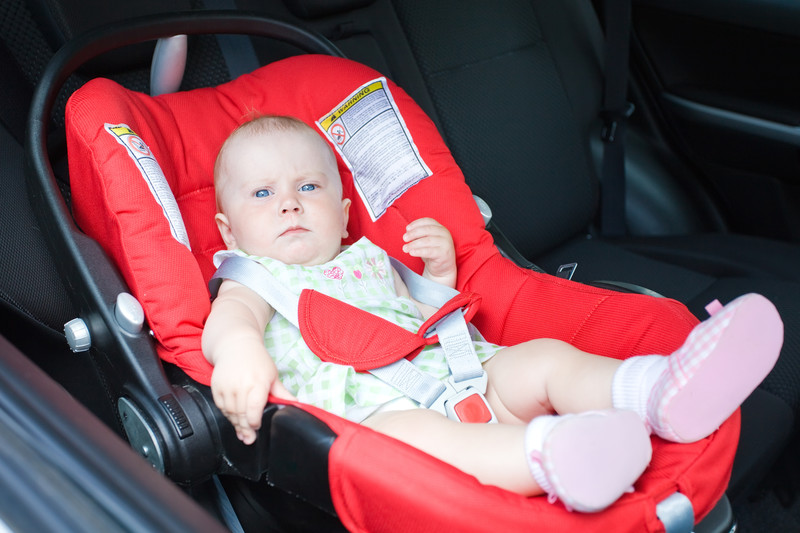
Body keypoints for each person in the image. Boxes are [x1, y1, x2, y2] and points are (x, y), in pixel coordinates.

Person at [202, 115, 783, 512]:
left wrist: (439, 278)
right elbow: (232, 320)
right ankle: (559, 458)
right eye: (262, 195)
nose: (289, 203)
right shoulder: (256, 276)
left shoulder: (367, 258)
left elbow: (415, 315)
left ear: (345, 209)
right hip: (376, 417)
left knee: (545, 359)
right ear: (229, 231)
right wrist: (238, 353)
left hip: (469, 370)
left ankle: (656, 391)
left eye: (309, 186)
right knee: (426, 441)